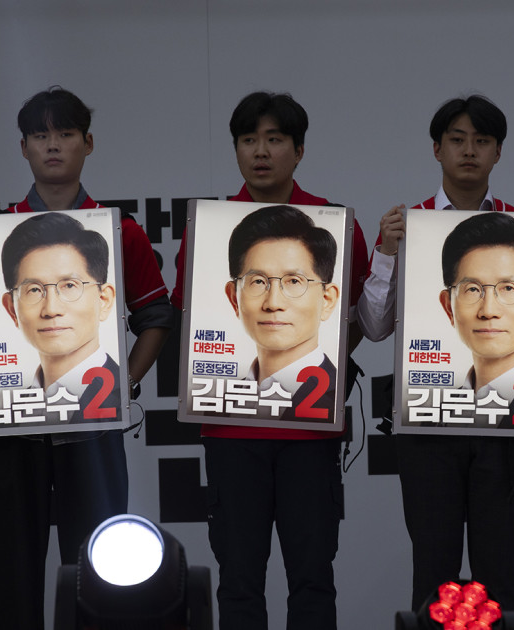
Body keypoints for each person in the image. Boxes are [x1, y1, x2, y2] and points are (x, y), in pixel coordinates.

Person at [358, 95, 514, 614]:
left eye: (482, 141)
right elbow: (372, 326)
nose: (468, 151)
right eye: (457, 140)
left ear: (498, 153)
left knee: (497, 572)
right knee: (433, 571)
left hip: (506, 424)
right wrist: (386, 254)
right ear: (436, 149)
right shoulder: (406, 226)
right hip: (427, 425)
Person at [0, 87, 173, 629]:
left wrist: (125, 384)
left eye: (64, 133)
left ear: (88, 143)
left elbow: (156, 317)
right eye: (40, 135)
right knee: (11, 573)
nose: (53, 145)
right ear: (23, 148)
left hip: (92, 433)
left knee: (98, 571)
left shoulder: (120, 231)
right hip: (10, 432)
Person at [170, 91, 368, 630]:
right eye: (249, 140)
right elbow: (187, 315)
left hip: (311, 432)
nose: (261, 151)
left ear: (299, 150)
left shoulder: (336, 226)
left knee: (313, 578)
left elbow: (356, 320)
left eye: (275, 139)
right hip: (231, 432)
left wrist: (317, 366)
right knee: (238, 580)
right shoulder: (207, 230)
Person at [0, 212, 121, 423]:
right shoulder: (2, 415)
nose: (51, 309)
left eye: (69, 286)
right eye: (34, 290)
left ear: (104, 300)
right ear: (12, 309)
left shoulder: (122, 396)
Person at [225, 204, 341, 421]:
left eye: (294, 281)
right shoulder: (216, 401)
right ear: (234, 299)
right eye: (258, 281)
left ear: (327, 300)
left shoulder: (337, 397)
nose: (273, 303)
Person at [438, 211, 514, 419]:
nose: (488, 311)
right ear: (449, 307)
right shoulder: (433, 414)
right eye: (473, 289)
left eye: (508, 288)